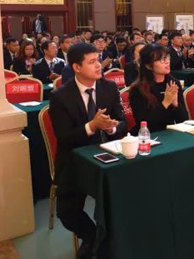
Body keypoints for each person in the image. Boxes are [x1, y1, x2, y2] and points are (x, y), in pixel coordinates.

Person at [49, 43, 127, 258]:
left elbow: (122, 123)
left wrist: (111, 127)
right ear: (76, 67)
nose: (98, 65)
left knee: (123, 198)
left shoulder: (109, 88)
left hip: (109, 154)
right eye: (92, 62)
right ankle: (92, 238)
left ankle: (112, 239)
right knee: (67, 211)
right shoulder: (60, 96)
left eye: (98, 60)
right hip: (74, 159)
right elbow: (64, 137)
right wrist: (92, 126)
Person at [129, 44, 188, 133]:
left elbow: (184, 120)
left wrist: (176, 105)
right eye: (161, 59)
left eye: (167, 57)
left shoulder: (173, 83)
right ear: (148, 66)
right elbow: (144, 123)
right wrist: (165, 103)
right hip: (149, 135)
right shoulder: (138, 89)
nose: (167, 62)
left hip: (170, 133)